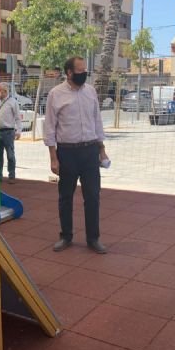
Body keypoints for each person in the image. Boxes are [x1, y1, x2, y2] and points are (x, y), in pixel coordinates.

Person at [43, 56, 108, 254]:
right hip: (67, 152)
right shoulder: (56, 94)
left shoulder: (90, 91)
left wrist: (102, 150)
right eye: (80, 71)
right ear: (69, 72)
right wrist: (53, 158)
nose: (84, 74)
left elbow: (97, 122)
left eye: (85, 70)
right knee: (65, 197)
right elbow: (50, 127)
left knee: (93, 196)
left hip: (90, 151)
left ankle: (93, 238)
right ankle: (66, 236)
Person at [0, 82, 22, 184]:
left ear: (5, 91)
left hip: (9, 132)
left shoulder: (13, 102)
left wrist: (18, 131)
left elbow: (17, 117)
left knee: (10, 155)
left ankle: (11, 175)